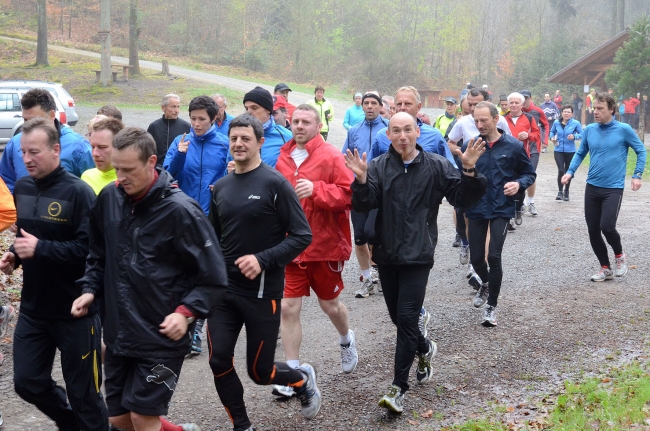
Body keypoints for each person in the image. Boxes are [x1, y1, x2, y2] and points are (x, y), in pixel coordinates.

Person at [71, 127, 227, 431]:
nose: (120, 177)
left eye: (128, 170)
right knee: (118, 418)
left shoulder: (182, 212)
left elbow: (214, 276)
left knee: (143, 416)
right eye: (117, 168)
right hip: (119, 334)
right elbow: (97, 253)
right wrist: (90, 288)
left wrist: (186, 313)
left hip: (162, 337)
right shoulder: (109, 199)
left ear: (151, 161)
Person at [344, 112, 487, 413]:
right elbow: (363, 204)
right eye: (396, 131)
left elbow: (462, 198)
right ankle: (424, 348)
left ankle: (398, 387)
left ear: (417, 132)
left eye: (407, 130)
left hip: (419, 254)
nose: (402, 136)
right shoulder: (378, 167)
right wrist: (359, 180)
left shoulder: (436, 166)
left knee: (407, 319)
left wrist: (470, 171)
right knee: (400, 319)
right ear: (389, 135)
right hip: (386, 253)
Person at [207, 114, 321, 429]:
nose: (238, 144)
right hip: (224, 291)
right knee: (218, 360)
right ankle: (243, 426)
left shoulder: (275, 184)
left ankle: (300, 380)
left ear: (259, 142)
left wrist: (262, 259)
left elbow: (302, 236)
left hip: (261, 292)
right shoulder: (221, 187)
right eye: (233, 139)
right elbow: (214, 239)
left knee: (260, 372)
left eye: (246, 138)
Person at [0, 118, 108, 430]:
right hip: (35, 309)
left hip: (76, 311)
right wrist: (14, 256)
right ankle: (71, 423)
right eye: (22, 152)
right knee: (27, 382)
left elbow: (91, 252)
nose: (27, 159)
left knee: (85, 395)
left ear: (56, 149)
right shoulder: (22, 187)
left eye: (34, 151)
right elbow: (26, 238)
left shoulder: (79, 193)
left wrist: (41, 248)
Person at [272, 104, 358, 398]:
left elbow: (349, 196)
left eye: (306, 122)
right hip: (291, 246)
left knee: (330, 305)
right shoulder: (281, 158)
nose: (299, 126)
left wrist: (318, 190)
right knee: (287, 307)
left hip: (324, 246)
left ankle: (346, 340)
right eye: (295, 121)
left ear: (317, 125)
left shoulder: (332, 156)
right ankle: (292, 373)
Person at [465, 102, 536, 327]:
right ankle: (486, 283)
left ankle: (491, 307)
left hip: (500, 208)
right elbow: (463, 176)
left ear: (496, 119)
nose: (479, 124)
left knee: (493, 256)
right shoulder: (474, 145)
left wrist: (517, 183)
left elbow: (529, 174)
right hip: (476, 207)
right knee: (476, 259)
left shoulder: (513, 146)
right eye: (476, 120)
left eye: (484, 120)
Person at [561, 93, 646, 282]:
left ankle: (619, 256)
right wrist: (570, 171)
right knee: (593, 229)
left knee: (607, 226)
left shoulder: (623, 129)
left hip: (613, 188)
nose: (596, 111)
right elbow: (581, 151)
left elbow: (640, 150)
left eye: (600, 108)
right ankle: (605, 268)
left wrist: (637, 174)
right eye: (595, 108)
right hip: (592, 186)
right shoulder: (590, 129)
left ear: (611, 110)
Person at [0, 88, 94, 193]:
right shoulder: (14, 144)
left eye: (36, 120)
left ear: (52, 115)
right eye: (25, 120)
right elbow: (6, 183)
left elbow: (93, 185)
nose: (29, 125)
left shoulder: (77, 147)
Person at [341, 92, 388, 298]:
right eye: (366, 103)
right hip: (358, 188)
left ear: (380, 107)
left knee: (373, 233)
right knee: (359, 236)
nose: (369, 106)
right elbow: (345, 156)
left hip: (380, 189)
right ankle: (367, 278)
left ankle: (380, 270)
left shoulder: (388, 128)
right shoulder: (354, 130)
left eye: (373, 103)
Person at [164, 95, 229, 216]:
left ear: (213, 118)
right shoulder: (180, 142)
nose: (196, 124)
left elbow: (232, 176)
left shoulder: (226, 144)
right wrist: (179, 155)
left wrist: (221, 185)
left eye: (201, 119)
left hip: (214, 213)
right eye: (193, 118)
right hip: (184, 211)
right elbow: (167, 176)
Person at [370, 86, 456, 166]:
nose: (402, 108)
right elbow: (370, 171)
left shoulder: (434, 136)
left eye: (408, 104)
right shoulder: (382, 136)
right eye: (399, 104)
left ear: (418, 107)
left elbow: (451, 170)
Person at [504, 92, 540, 224]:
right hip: (505, 156)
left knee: (520, 186)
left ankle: (518, 208)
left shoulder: (529, 118)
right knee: (506, 183)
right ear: (508, 104)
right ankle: (509, 214)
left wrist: (528, 135)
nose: (514, 105)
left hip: (522, 156)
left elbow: (537, 135)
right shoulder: (502, 119)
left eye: (516, 103)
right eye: (511, 103)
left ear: (522, 104)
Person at [242, 86, 293, 167]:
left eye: (254, 108)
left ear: (268, 109)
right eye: (246, 108)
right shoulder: (238, 135)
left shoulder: (287, 137)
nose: (249, 112)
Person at [520, 90, 548, 213]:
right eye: (522, 98)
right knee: (518, 174)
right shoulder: (516, 111)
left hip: (533, 147)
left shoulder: (537, 111)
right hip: (519, 148)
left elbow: (545, 125)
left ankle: (531, 202)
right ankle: (520, 203)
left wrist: (545, 140)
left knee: (531, 173)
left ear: (530, 98)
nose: (524, 101)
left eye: (526, 98)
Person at [82, 118, 124, 195]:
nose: (95, 153)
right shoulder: (87, 177)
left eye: (102, 147)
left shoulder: (128, 182)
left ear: (119, 147)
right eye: (92, 147)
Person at [147, 94, 192, 166]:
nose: (177, 110)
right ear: (163, 108)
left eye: (178, 107)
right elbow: (148, 150)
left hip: (178, 168)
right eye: (173, 107)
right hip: (158, 169)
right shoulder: (154, 126)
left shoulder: (186, 126)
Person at [549, 105, 583, 201]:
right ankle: (560, 191)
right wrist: (552, 137)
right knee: (561, 170)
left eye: (568, 112)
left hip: (570, 151)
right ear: (561, 113)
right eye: (565, 111)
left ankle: (566, 191)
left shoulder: (575, 123)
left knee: (568, 171)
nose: (566, 113)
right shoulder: (556, 122)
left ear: (572, 114)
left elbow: (582, 134)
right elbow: (551, 132)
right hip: (558, 150)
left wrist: (574, 136)